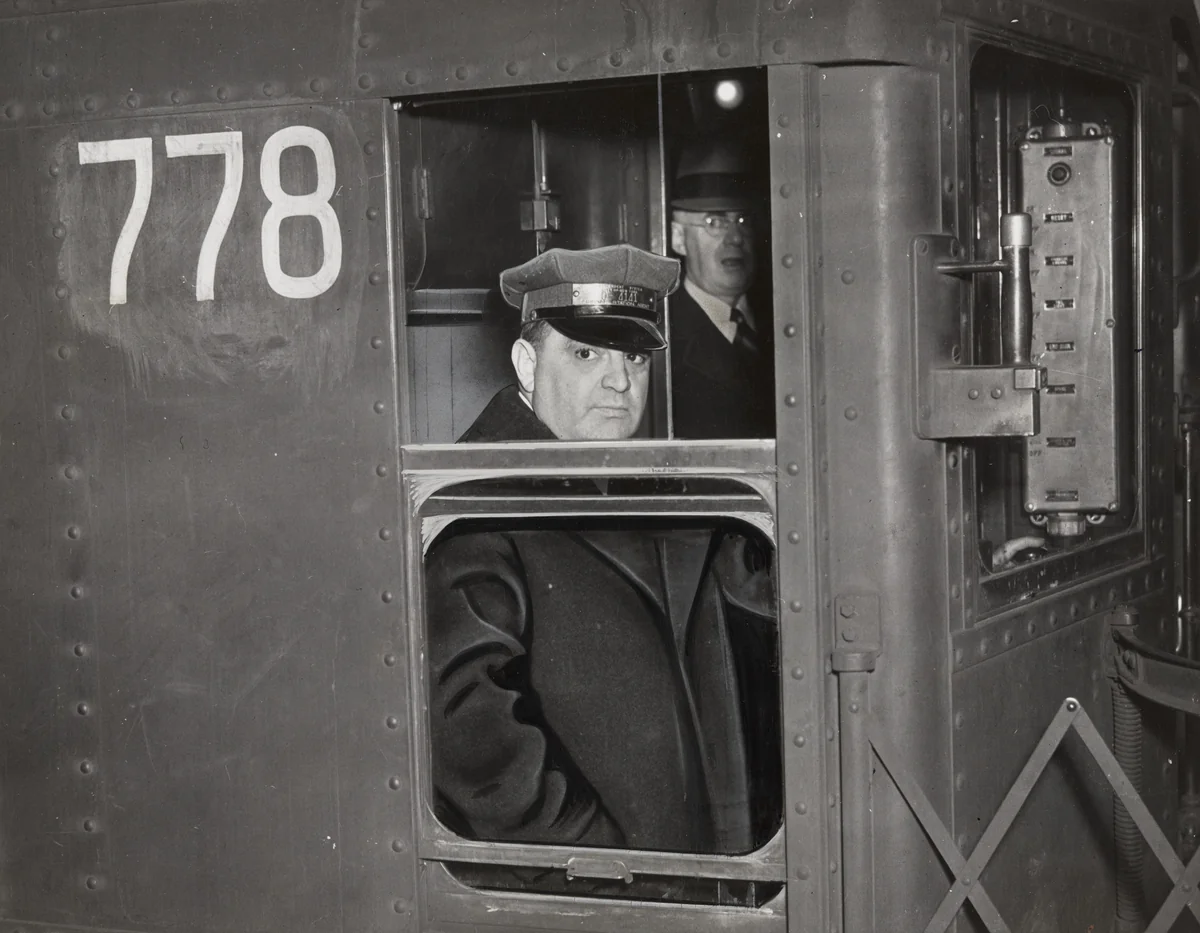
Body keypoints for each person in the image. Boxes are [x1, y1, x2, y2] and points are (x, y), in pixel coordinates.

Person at [427, 244, 780, 854]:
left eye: (636, 359)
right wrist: (605, 868)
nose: (619, 381)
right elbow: (481, 759)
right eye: (586, 353)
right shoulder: (472, 510)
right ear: (525, 363)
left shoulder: (645, 484)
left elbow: (752, 598)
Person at [668, 138, 774, 439]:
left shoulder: (785, 319)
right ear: (679, 238)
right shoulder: (664, 340)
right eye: (715, 222)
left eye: (743, 220)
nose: (735, 238)